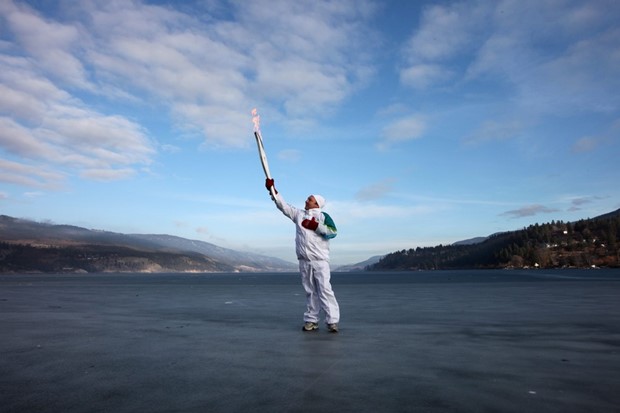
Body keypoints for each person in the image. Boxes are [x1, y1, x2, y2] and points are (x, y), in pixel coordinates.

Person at [265, 178, 340, 333]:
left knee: (325, 290)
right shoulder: (299, 215)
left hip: (320, 261)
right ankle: (311, 320)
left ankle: (332, 321)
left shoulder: (323, 217)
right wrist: (273, 190)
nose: (306, 200)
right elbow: (283, 206)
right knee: (310, 291)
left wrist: (316, 226)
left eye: (310, 199)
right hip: (304, 261)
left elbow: (333, 232)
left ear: (317, 204)